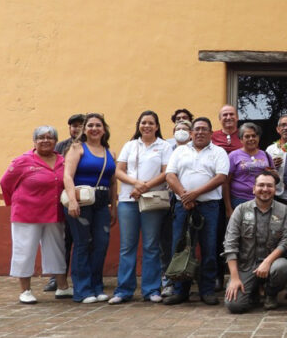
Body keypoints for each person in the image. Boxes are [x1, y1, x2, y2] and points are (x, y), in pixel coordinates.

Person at [0, 126, 72, 304]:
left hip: (54, 213)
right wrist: (17, 202)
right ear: (34, 141)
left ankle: (62, 287)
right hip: (27, 214)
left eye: (50, 137)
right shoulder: (22, 161)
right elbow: (5, 183)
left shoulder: (63, 161)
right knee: (25, 251)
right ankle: (25, 290)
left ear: (56, 141)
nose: (45, 140)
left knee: (57, 250)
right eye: (41, 137)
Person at [164, 117, 230, 306]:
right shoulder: (180, 151)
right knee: (182, 249)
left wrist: (194, 194)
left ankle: (207, 291)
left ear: (211, 133)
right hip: (183, 207)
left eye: (204, 129)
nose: (200, 132)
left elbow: (221, 177)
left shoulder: (219, 152)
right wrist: (184, 195)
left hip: (209, 207)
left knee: (209, 249)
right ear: (191, 133)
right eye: (197, 129)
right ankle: (180, 291)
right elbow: (170, 175)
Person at [109, 111, 173, 304]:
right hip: (128, 201)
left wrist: (145, 187)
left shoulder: (164, 146)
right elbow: (118, 171)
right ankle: (123, 290)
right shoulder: (130, 145)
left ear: (157, 126)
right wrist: (137, 184)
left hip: (152, 200)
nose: (147, 126)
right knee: (127, 247)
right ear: (139, 125)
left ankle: (151, 290)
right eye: (143, 123)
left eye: (151, 123)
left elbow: (166, 172)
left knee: (151, 246)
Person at [62, 113, 117, 304]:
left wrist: (113, 207)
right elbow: (67, 176)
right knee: (82, 244)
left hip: (102, 202)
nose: (94, 129)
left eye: (98, 125)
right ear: (85, 129)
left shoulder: (110, 152)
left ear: (104, 129)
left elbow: (112, 183)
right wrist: (72, 201)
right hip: (82, 201)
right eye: (90, 125)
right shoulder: (77, 148)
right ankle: (82, 290)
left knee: (101, 244)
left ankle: (97, 287)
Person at [223, 171, 287, 313]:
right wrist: (235, 278)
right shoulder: (240, 210)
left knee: (283, 267)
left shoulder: (284, 210)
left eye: (270, 186)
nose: (265, 189)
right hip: (246, 265)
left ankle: (270, 294)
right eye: (261, 185)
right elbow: (230, 244)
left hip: (273, 264)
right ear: (254, 188)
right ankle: (252, 291)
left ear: (275, 189)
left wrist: (267, 261)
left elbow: (286, 241)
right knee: (234, 306)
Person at [45, 113, 84, 292]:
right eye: (73, 125)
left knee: (85, 241)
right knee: (63, 240)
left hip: (86, 198)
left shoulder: (93, 145)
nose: (76, 129)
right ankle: (57, 277)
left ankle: (85, 277)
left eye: (80, 125)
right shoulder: (61, 146)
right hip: (63, 199)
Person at [211, 105, 242, 290]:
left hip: (237, 195)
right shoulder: (212, 137)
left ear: (237, 118)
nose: (228, 117)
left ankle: (238, 274)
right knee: (216, 236)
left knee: (238, 237)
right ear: (219, 118)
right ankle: (216, 276)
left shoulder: (245, 135)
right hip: (214, 194)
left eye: (232, 114)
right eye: (225, 115)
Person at [160, 118, 192, 298]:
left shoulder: (194, 150)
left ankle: (186, 279)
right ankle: (169, 280)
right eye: (178, 128)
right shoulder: (167, 149)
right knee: (167, 242)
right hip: (166, 201)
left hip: (186, 201)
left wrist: (185, 195)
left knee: (185, 242)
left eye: (185, 128)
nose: (181, 131)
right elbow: (167, 174)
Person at [225, 122, 274, 214]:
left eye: (254, 136)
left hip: (263, 199)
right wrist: (228, 208)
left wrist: (271, 173)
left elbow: (274, 179)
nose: (251, 139)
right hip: (239, 200)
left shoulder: (266, 155)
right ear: (241, 139)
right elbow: (226, 183)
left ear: (258, 137)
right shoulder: (233, 156)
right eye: (247, 136)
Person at [265, 113, 287, 210]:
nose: (286, 128)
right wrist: (272, 166)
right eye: (283, 125)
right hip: (276, 195)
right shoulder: (270, 149)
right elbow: (265, 173)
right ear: (278, 129)